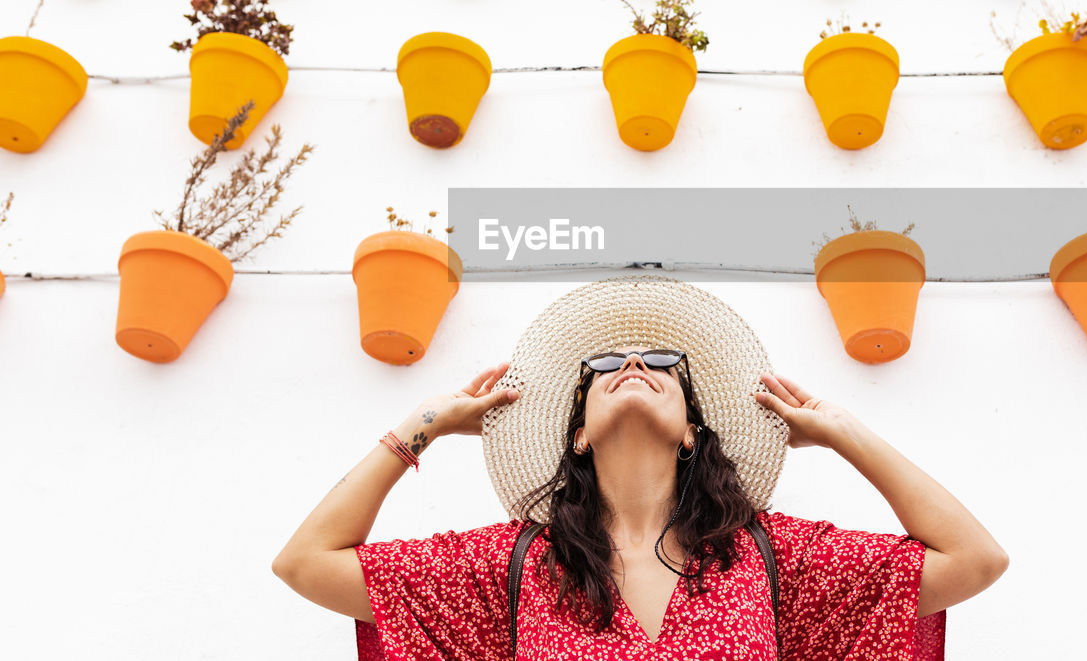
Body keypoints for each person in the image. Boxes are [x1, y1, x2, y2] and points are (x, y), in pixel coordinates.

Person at [273, 277, 1008, 660]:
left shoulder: (770, 556)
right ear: (580, 436)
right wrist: (422, 425)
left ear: (692, 430)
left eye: (664, 364)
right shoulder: (516, 564)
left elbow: (974, 559)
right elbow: (307, 562)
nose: (631, 362)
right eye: (602, 367)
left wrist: (847, 432)